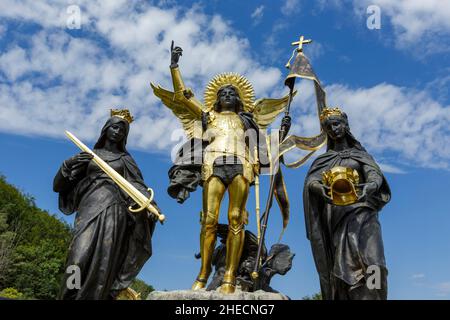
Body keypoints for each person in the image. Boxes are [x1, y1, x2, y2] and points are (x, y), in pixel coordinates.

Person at [152, 42, 291, 294]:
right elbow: (183, 96)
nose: (227, 95)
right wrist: (174, 67)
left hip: (241, 164)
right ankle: (203, 274)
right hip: (214, 163)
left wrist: (282, 133)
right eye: (223, 92)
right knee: (209, 220)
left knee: (236, 218)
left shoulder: (246, 119)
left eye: (232, 93)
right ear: (217, 98)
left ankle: (229, 275)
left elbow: (263, 147)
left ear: (238, 98)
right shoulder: (208, 116)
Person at [53, 109, 159, 299]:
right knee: (76, 260)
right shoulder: (89, 155)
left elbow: (136, 186)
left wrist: (150, 206)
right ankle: (68, 296)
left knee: (104, 263)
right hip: (88, 209)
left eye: (122, 130)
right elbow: (58, 186)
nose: (118, 132)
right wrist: (69, 164)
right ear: (106, 129)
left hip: (114, 212)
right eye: (115, 127)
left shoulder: (125, 160)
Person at [303, 107, 391, 300]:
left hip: (363, 213)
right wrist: (320, 189)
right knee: (345, 268)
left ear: (345, 124)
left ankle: (374, 297)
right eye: (328, 127)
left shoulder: (361, 156)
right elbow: (312, 181)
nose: (333, 129)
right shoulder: (324, 159)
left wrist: (371, 186)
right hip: (337, 218)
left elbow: (374, 175)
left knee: (375, 262)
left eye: (336, 124)